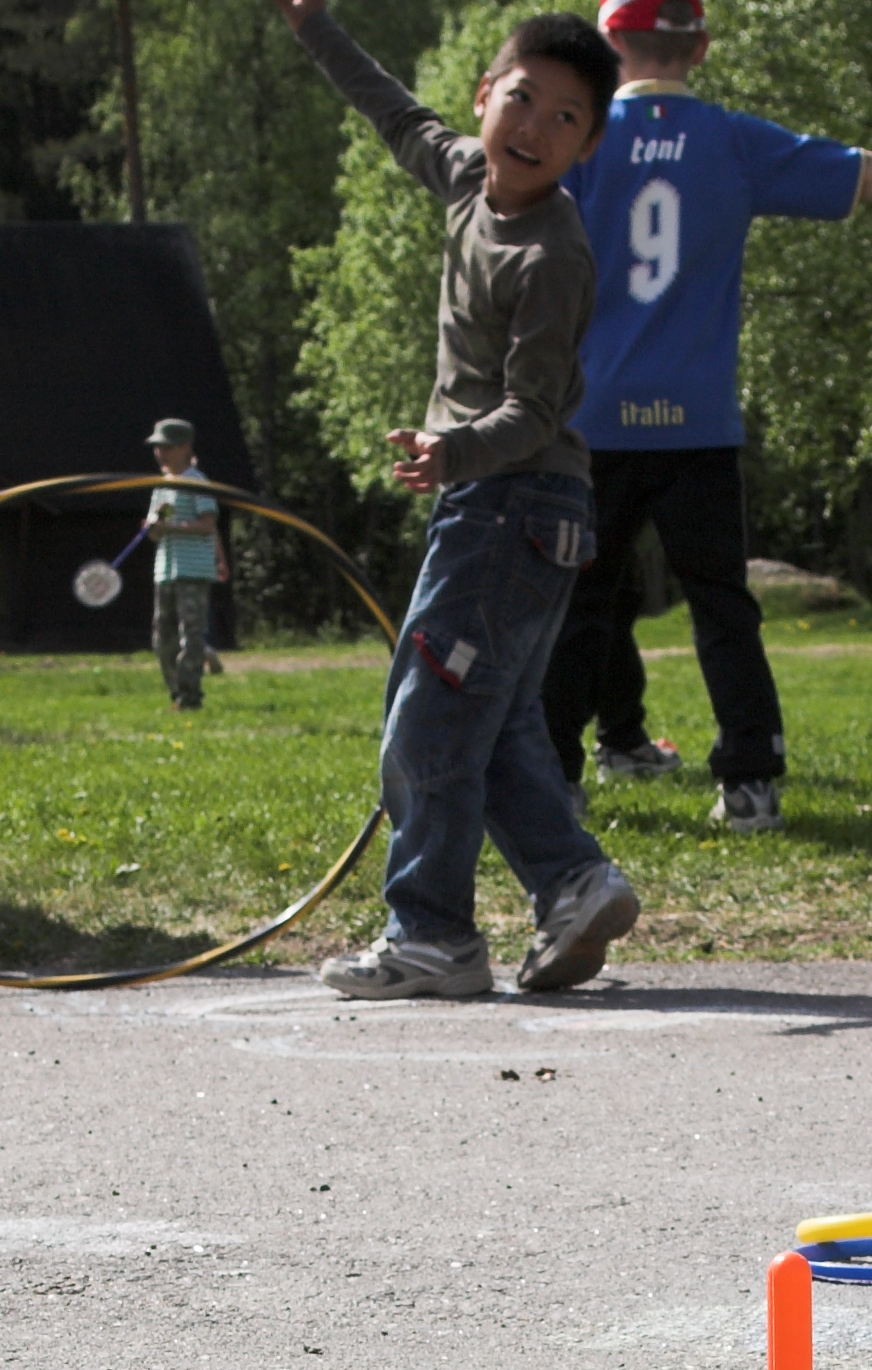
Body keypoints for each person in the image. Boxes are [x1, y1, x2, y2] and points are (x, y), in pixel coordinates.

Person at [540, 0, 872, 832]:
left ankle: (555, 779)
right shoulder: (734, 140)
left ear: (603, 47)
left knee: (582, 609)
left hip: (595, 422)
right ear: (699, 47)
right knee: (722, 606)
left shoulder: (579, 138)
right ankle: (749, 782)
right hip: (697, 423)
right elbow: (867, 171)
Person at [278, 0, 637, 999]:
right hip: (517, 514)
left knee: (427, 724)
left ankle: (431, 934)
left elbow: (535, 406)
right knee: (496, 721)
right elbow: (392, 113)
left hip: (510, 506)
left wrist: (453, 448)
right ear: (484, 98)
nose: (533, 126)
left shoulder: (550, 257)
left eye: (565, 118)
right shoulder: (467, 177)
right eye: (520, 99)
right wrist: (315, 30)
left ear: (585, 146)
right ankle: (574, 883)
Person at [142, 418, 228, 710]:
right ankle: (175, 691)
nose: (160, 454)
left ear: (184, 448)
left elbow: (207, 524)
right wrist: (153, 527)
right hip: (164, 570)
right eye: (157, 448)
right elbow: (157, 531)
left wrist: (170, 526)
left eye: (166, 447)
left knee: (190, 635)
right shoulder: (162, 488)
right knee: (162, 637)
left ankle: (190, 696)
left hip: (193, 570)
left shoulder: (196, 482)